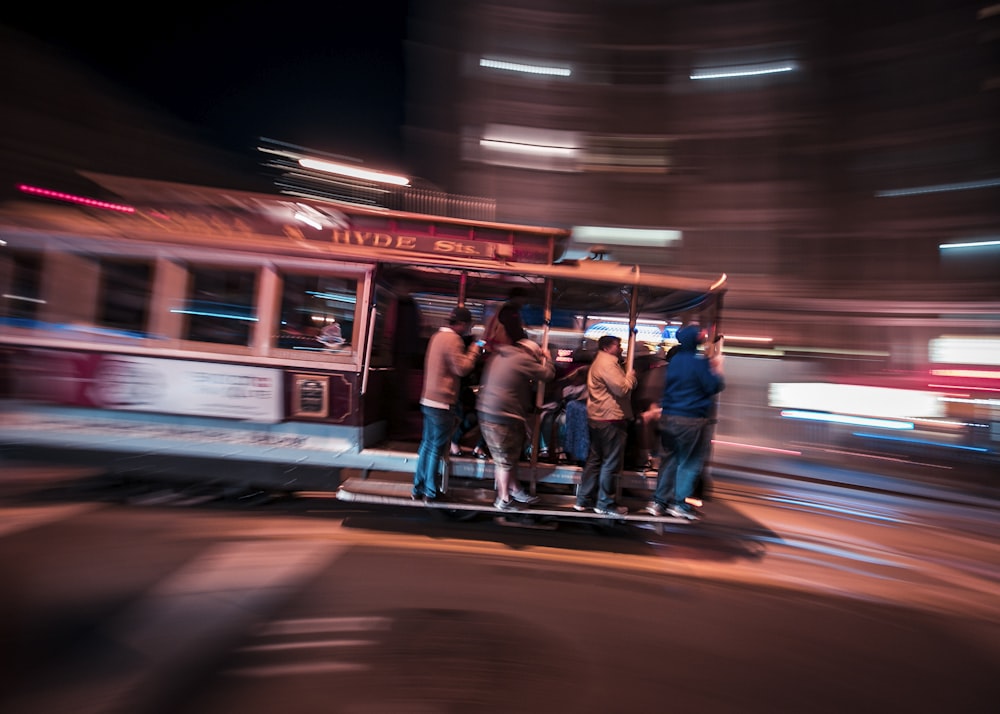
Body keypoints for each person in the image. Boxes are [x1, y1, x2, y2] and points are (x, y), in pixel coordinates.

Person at [645, 324, 725, 521]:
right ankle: (679, 503)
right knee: (689, 462)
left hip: (669, 417)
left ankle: (658, 502)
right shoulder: (699, 364)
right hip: (691, 418)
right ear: (694, 339)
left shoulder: (675, 361)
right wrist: (716, 369)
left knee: (669, 460)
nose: (703, 336)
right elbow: (714, 386)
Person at [476, 338, 556, 510]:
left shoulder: (501, 354)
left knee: (508, 457)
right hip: (502, 415)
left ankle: (515, 489)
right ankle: (503, 499)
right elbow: (547, 375)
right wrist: (547, 358)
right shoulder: (523, 358)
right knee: (504, 461)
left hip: (487, 412)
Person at [412, 306, 481, 501]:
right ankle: (431, 492)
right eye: (468, 325)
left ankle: (418, 488)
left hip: (428, 399)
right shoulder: (453, 339)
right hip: (442, 402)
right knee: (437, 448)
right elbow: (462, 368)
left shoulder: (437, 337)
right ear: (461, 324)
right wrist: (475, 350)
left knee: (426, 445)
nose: (468, 328)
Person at [575, 335, 637, 518]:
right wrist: (631, 377)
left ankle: (583, 499)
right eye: (618, 345)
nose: (621, 348)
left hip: (598, 417)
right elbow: (622, 389)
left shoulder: (598, 362)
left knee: (594, 460)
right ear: (608, 347)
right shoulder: (608, 364)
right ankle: (604, 503)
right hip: (610, 418)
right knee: (610, 462)